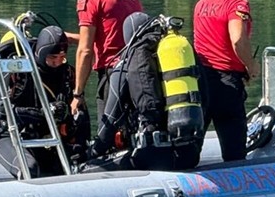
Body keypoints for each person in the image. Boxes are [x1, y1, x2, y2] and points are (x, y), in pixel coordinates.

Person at [83, 12, 204, 171]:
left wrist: (92, 153)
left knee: (88, 168)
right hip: (189, 155)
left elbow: (110, 122)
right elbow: (205, 102)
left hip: (150, 157)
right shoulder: (182, 60)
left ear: (128, 37)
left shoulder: (125, 67)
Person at [0, 25, 89, 178]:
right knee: (30, 168)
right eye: (52, 57)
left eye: (61, 57)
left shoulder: (67, 74)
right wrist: (44, 113)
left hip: (50, 140)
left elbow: (80, 114)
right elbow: (2, 110)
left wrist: (79, 148)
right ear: (41, 53)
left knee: (80, 166)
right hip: (13, 137)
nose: (57, 62)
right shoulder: (18, 71)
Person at [192, 0, 259, 161]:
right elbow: (238, 39)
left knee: (192, 148)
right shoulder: (237, 5)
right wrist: (251, 66)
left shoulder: (200, 5)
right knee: (234, 153)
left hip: (201, 82)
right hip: (227, 84)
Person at [68, 0, 144, 122]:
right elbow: (115, 34)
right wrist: (72, 38)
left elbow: (85, 51)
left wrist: (78, 94)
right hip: (136, 72)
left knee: (108, 133)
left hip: (112, 77)